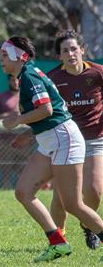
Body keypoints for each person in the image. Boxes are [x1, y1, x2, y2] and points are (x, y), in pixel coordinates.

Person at [0, 36, 103, 263]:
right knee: (23, 192)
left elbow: (46, 109)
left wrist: (17, 121)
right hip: (50, 141)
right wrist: (28, 133)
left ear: (20, 56)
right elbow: (52, 109)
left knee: (72, 204)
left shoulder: (28, 75)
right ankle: (58, 243)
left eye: (5, 55)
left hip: (64, 139)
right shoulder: (26, 75)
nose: (1, 59)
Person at [47, 30, 103, 250]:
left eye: (73, 48)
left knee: (94, 190)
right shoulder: (52, 78)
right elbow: (44, 109)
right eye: (64, 51)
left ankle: (88, 225)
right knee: (61, 197)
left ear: (82, 50)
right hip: (65, 140)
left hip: (94, 139)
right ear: (59, 56)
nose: (70, 53)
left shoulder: (98, 73)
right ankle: (58, 240)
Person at [0, 75, 33, 189]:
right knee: (5, 171)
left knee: (24, 169)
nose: (15, 82)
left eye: (17, 79)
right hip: (4, 142)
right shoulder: (0, 97)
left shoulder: (28, 97)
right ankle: (5, 191)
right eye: (12, 80)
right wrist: (7, 116)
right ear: (8, 81)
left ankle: (23, 191)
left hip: (25, 142)